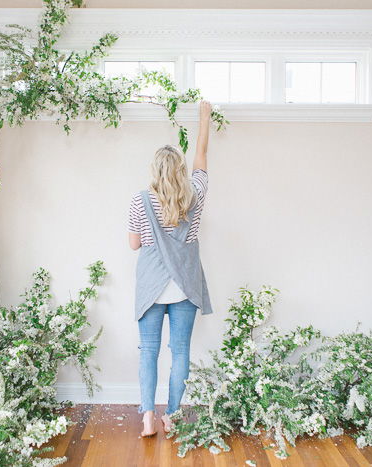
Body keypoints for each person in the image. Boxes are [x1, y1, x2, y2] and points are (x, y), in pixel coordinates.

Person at [127, 100, 214, 438]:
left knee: (148, 351)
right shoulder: (195, 196)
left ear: (155, 170)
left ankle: (148, 416)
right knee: (180, 353)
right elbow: (202, 161)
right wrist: (203, 120)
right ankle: (173, 415)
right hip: (184, 286)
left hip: (151, 286)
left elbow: (134, 244)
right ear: (179, 170)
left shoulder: (139, 200)